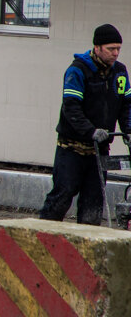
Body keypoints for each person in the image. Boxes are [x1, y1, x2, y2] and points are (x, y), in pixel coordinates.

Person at [39, 23, 131, 225]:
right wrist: (90, 131)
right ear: (97, 48)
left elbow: (126, 105)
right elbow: (71, 108)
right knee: (62, 195)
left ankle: (87, 245)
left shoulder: (120, 73)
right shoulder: (78, 71)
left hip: (99, 150)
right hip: (71, 149)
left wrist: (128, 130)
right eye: (111, 49)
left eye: (118, 49)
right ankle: (43, 235)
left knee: (94, 200)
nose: (115, 53)